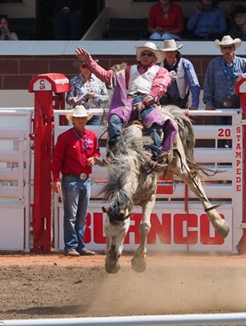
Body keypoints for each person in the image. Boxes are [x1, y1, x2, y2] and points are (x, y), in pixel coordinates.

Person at [75, 42, 174, 164]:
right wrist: (89, 61)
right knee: (114, 120)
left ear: (155, 58)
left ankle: (152, 156)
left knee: (154, 123)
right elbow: (106, 76)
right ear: (139, 56)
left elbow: (159, 88)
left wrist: (145, 102)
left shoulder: (160, 71)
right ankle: (114, 152)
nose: (145, 56)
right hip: (128, 102)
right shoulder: (127, 70)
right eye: (143, 53)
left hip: (147, 101)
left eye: (149, 54)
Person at [51, 105, 99, 257]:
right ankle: (72, 246)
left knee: (81, 216)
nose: (81, 120)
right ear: (74, 120)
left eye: (83, 118)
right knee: (71, 215)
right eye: (78, 118)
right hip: (71, 178)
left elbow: (96, 152)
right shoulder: (65, 138)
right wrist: (55, 179)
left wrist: (95, 159)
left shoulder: (91, 136)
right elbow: (56, 160)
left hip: (84, 179)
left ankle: (79, 246)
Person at [203, 35, 246, 147]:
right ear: (221, 50)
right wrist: (208, 102)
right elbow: (208, 84)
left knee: (236, 139)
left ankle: (233, 164)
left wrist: (244, 76)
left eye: (229, 47)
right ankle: (220, 163)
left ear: (234, 48)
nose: (227, 51)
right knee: (219, 138)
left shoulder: (242, 63)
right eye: (224, 48)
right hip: (218, 107)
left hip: (236, 107)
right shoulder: (214, 64)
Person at [159, 39, 201, 110]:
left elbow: (194, 85)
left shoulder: (185, 64)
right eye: (167, 51)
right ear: (164, 52)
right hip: (163, 105)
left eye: (172, 51)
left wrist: (194, 104)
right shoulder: (158, 66)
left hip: (181, 105)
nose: (169, 54)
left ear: (176, 52)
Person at [67, 59, 109, 125]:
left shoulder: (99, 80)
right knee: (79, 133)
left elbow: (106, 98)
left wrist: (94, 96)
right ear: (80, 67)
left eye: (89, 66)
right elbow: (69, 98)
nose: (86, 69)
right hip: (79, 114)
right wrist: (72, 100)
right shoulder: (73, 80)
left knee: (93, 133)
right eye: (84, 66)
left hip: (94, 114)